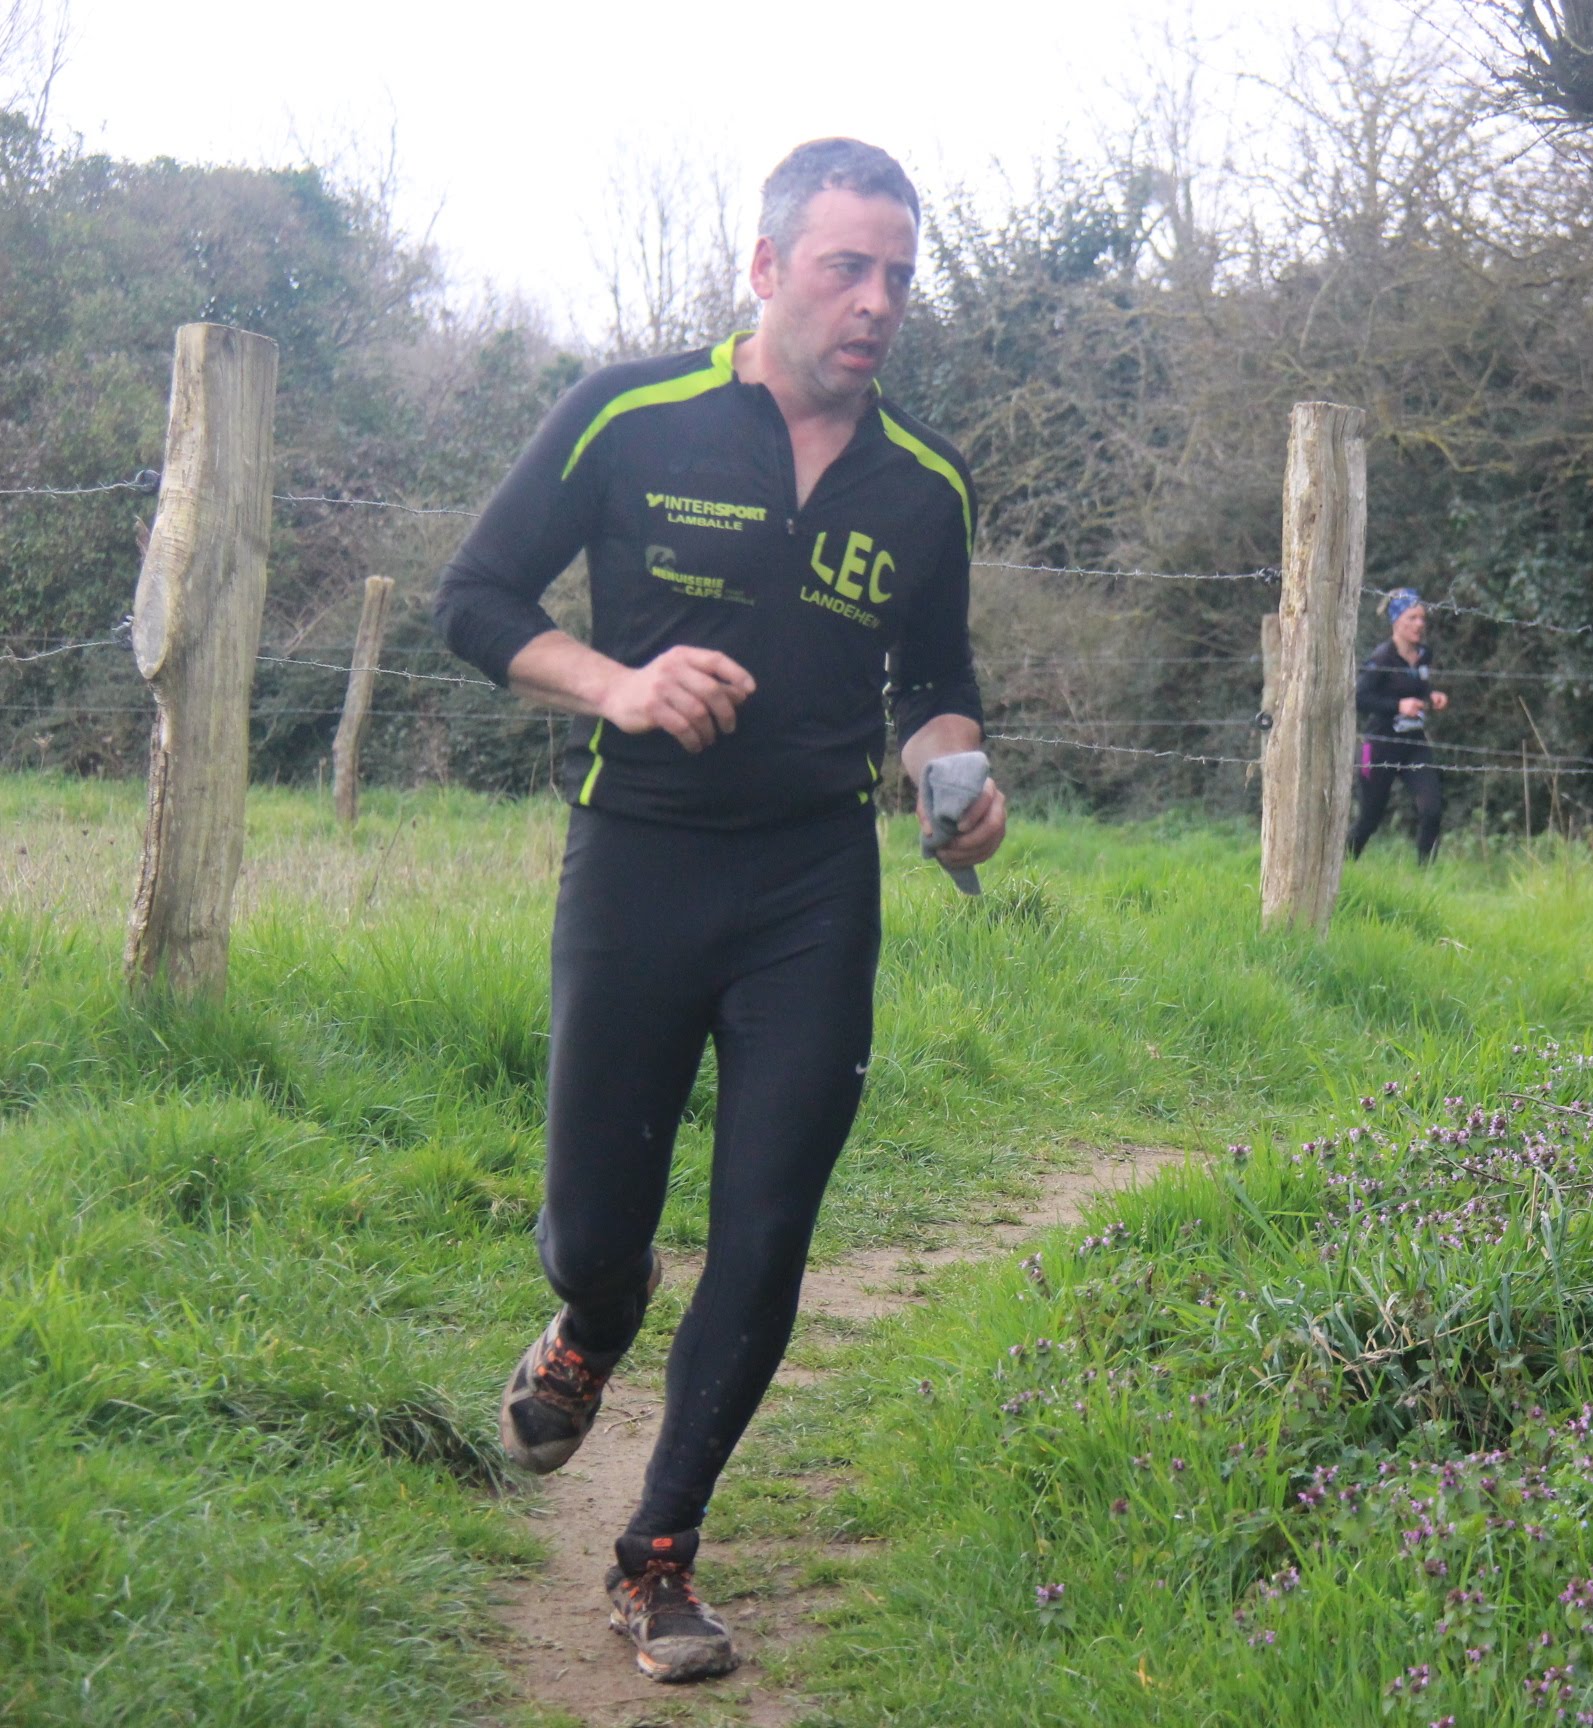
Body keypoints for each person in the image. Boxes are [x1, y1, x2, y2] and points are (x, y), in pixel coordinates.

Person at [433, 138, 1004, 1684]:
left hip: (813, 886)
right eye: (845, 267)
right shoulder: (629, 415)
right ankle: (594, 1315)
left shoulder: (927, 482)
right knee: (591, 1224)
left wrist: (956, 782)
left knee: (767, 1227)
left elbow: (935, 685)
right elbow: (474, 599)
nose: (876, 302)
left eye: (899, 277)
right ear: (766, 269)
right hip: (641, 862)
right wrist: (615, 683)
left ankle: (660, 1554)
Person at [1349, 587, 1448, 863]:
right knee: (1369, 818)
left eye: (1422, 618)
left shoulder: (1424, 654)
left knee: (1431, 810)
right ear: (1396, 621)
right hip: (1378, 746)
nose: (1419, 624)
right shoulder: (1381, 658)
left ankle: (1426, 877)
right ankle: (1342, 866)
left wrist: (1432, 696)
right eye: (1412, 618)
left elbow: (1418, 685)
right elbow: (1359, 698)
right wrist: (1398, 706)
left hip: (1414, 745)